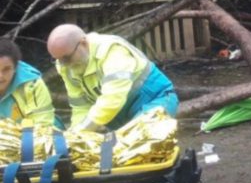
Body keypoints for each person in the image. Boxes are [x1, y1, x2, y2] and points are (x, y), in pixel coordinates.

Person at [46, 25, 178, 132]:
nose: (63, 64)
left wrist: (82, 130)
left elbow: (113, 99)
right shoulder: (65, 66)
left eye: (66, 58)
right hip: (116, 115)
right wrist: (77, 132)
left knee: (142, 141)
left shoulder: (112, 51)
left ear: (83, 43)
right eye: (57, 59)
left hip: (154, 100)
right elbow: (80, 106)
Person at [0, 38, 55, 126]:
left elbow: (43, 125)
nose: (1, 76)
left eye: (6, 69)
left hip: (36, 135)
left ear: (15, 67)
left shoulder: (33, 84)